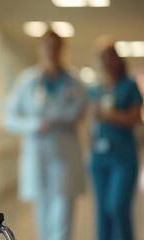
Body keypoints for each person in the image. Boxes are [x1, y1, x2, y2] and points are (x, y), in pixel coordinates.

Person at [2, 30, 87, 240]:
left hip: (65, 157)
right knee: (42, 220)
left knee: (63, 219)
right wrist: (33, 124)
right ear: (39, 49)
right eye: (47, 46)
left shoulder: (74, 81)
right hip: (37, 157)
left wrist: (59, 117)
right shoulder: (28, 81)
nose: (51, 51)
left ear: (62, 49)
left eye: (56, 46)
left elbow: (80, 111)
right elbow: (8, 118)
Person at [87, 36, 142, 240]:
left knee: (117, 206)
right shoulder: (95, 89)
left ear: (118, 59)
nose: (107, 60)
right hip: (99, 158)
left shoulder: (128, 86)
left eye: (110, 55)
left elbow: (135, 117)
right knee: (102, 212)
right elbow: (91, 122)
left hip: (123, 157)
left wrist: (109, 115)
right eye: (102, 56)